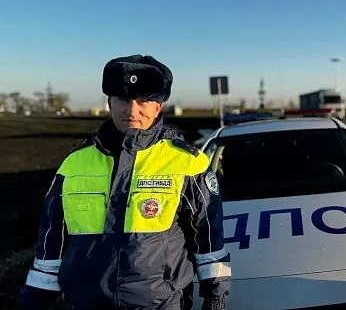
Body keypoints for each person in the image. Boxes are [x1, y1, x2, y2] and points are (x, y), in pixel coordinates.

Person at [18, 55, 231, 310]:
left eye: (143, 101)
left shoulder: (187, 163)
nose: (131, 110)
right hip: (85, 303)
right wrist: (37, 297)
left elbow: (208, 237)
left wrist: (215, 296)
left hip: (159, 304)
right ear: (109, 102)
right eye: (122, 99)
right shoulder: (74, 164)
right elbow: (51, 239)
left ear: (158, 107)